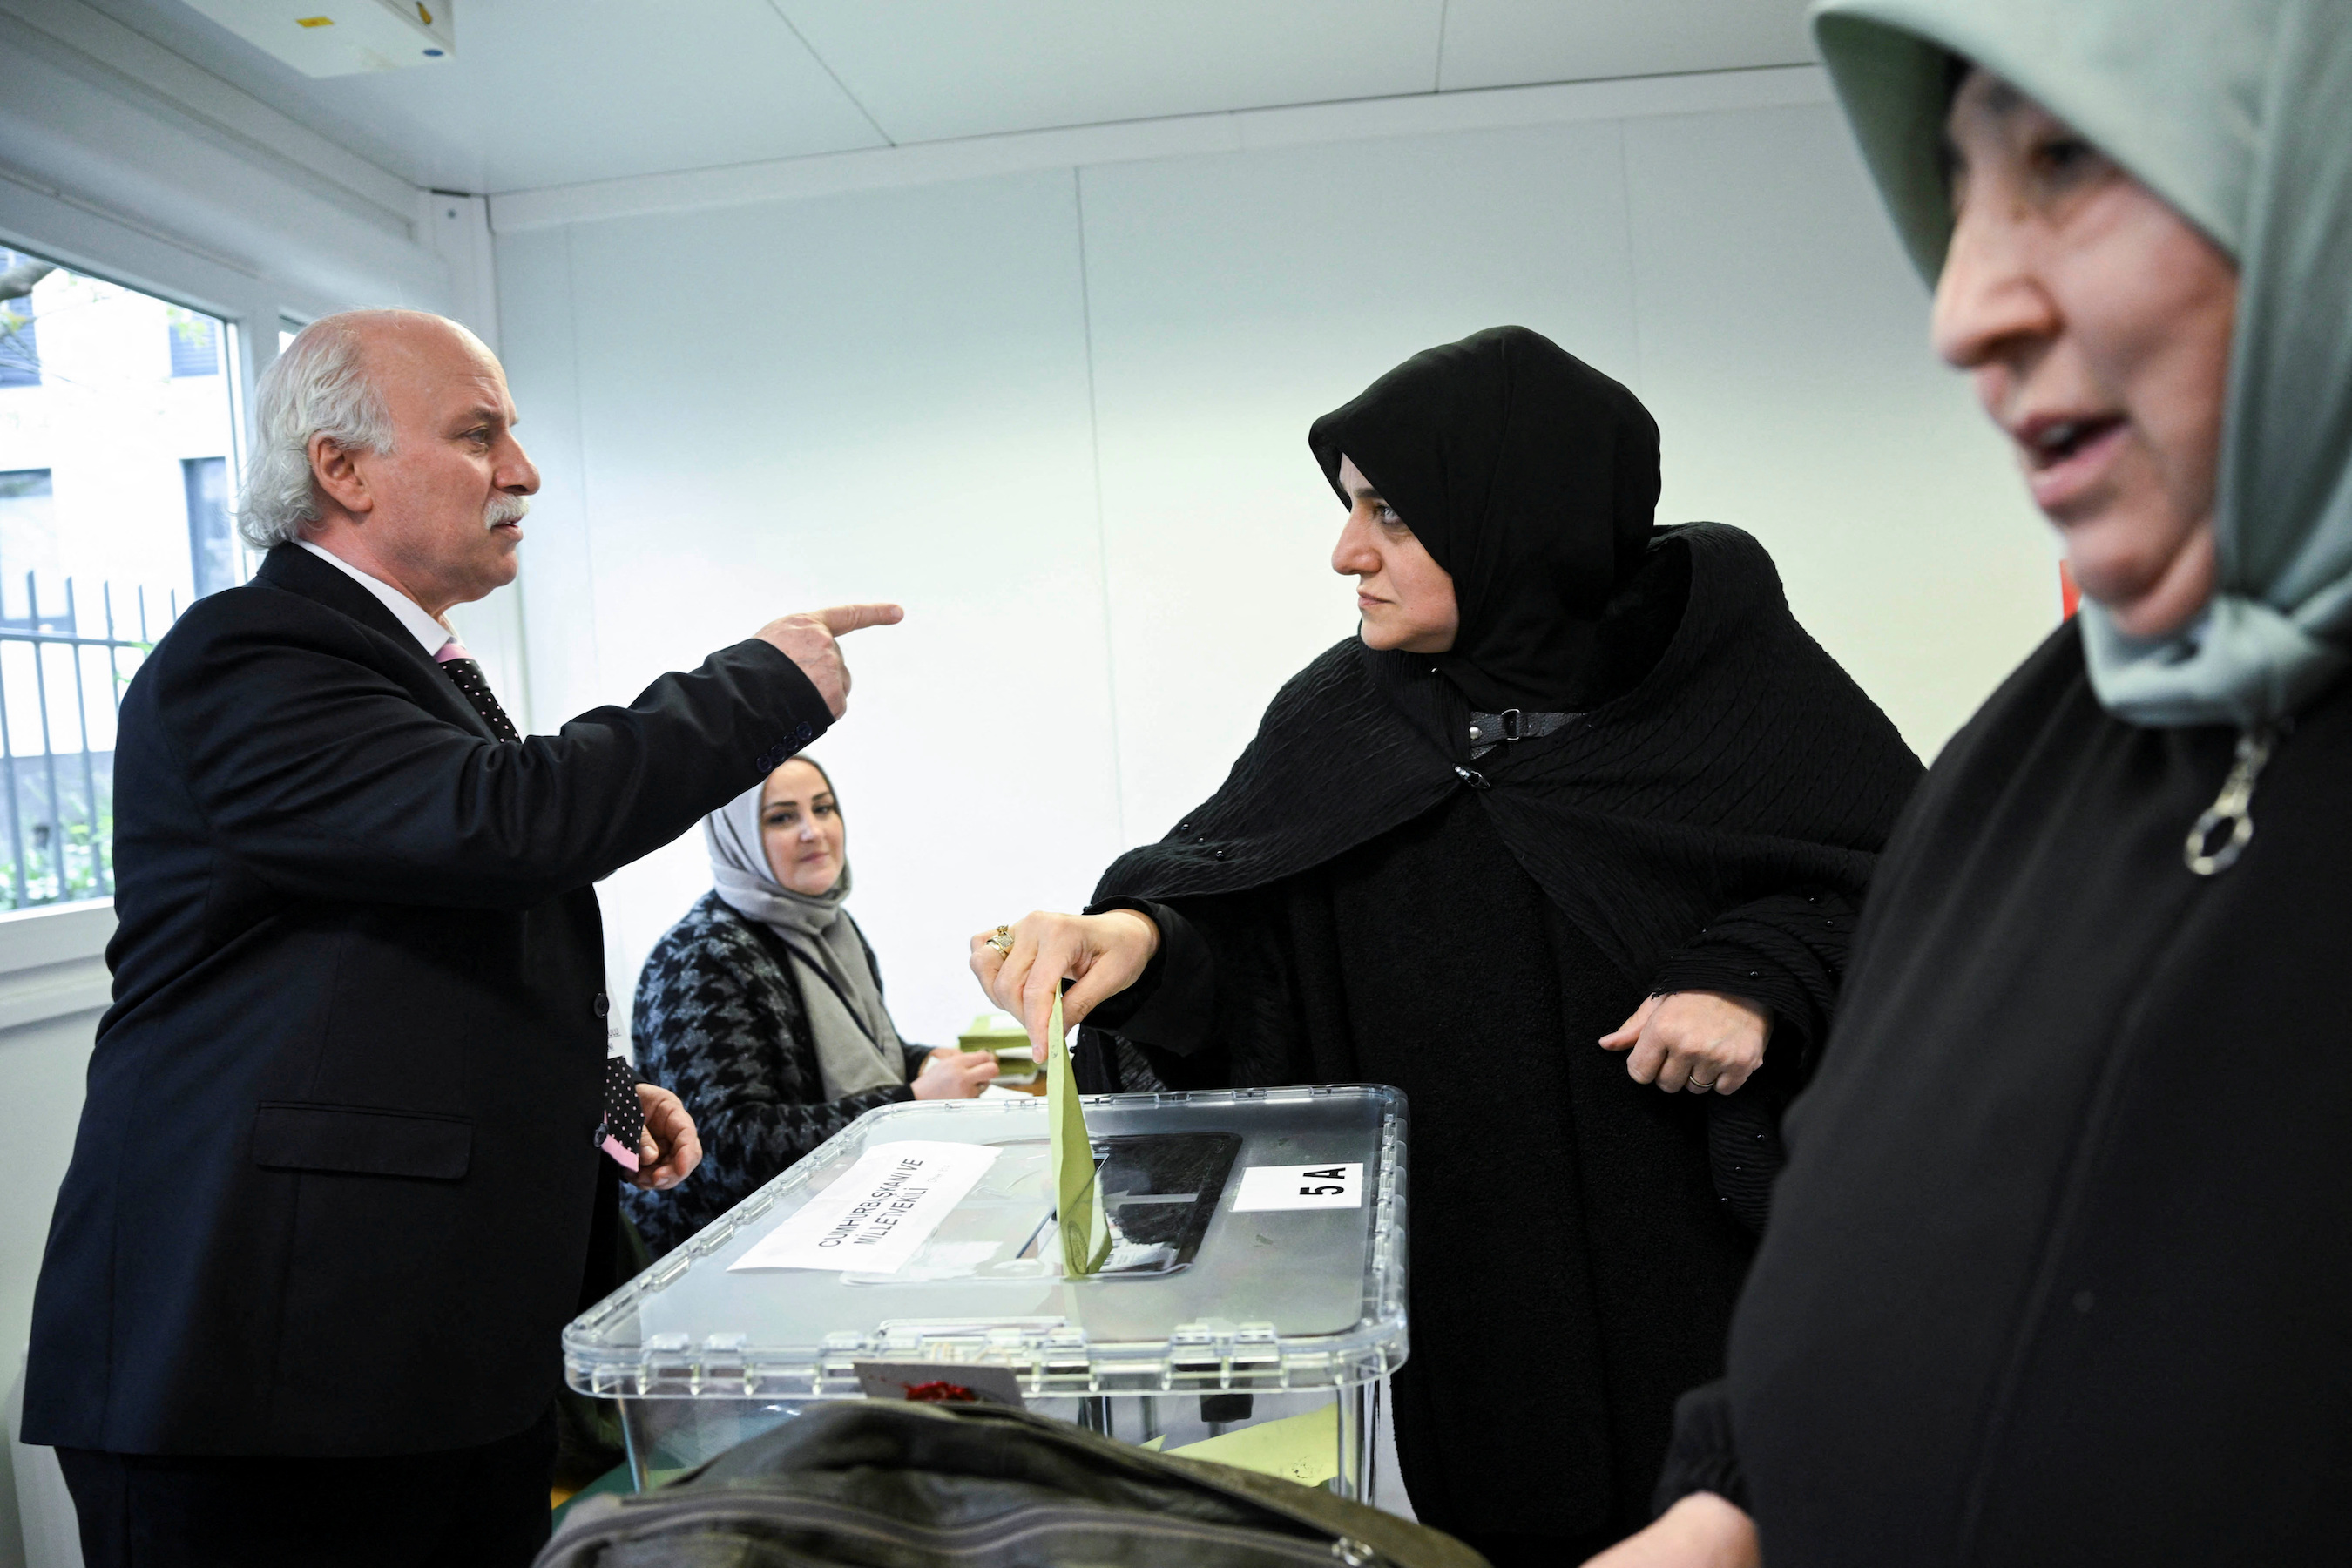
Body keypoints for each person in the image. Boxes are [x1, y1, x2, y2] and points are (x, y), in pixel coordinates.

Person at [1593, 3, 2352, 1565]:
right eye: (1958, 191)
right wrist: (1725, 1503)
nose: (1961, 310)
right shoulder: (2039, 739)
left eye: (2066, 162)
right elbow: (1865, 1216)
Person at [971, 327, 1922, 1564]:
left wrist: (1759, 975)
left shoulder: (1745, 697)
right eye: (1350, 506)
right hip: (1474, 1327)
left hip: (1715, 1318)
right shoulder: (1349, 710)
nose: (1344, 551)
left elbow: (1923, 906)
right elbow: (1256, 937)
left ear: (1517, 522)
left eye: (1391, 516)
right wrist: (1139, 941)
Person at [21, 308, 902, 1567]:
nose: (523, 472)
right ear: (343, 467)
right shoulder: (249, 654)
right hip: (265, 1382)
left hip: (412, 1368)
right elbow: (508, 824)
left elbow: (398, 954)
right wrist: (758, 685)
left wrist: (588, 1093)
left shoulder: (393, 670)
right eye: (479, 435)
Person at [625, 755, 999, 1255]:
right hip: (721, 1256)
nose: (813, 831)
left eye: (823, 809)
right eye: (782, 817)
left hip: (836, 1222)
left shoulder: (830, 928)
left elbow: (860, 1050)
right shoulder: (698, 958)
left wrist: (926, 1062)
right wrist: (906, 1102)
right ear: (738, 837)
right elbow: (726, 1150)